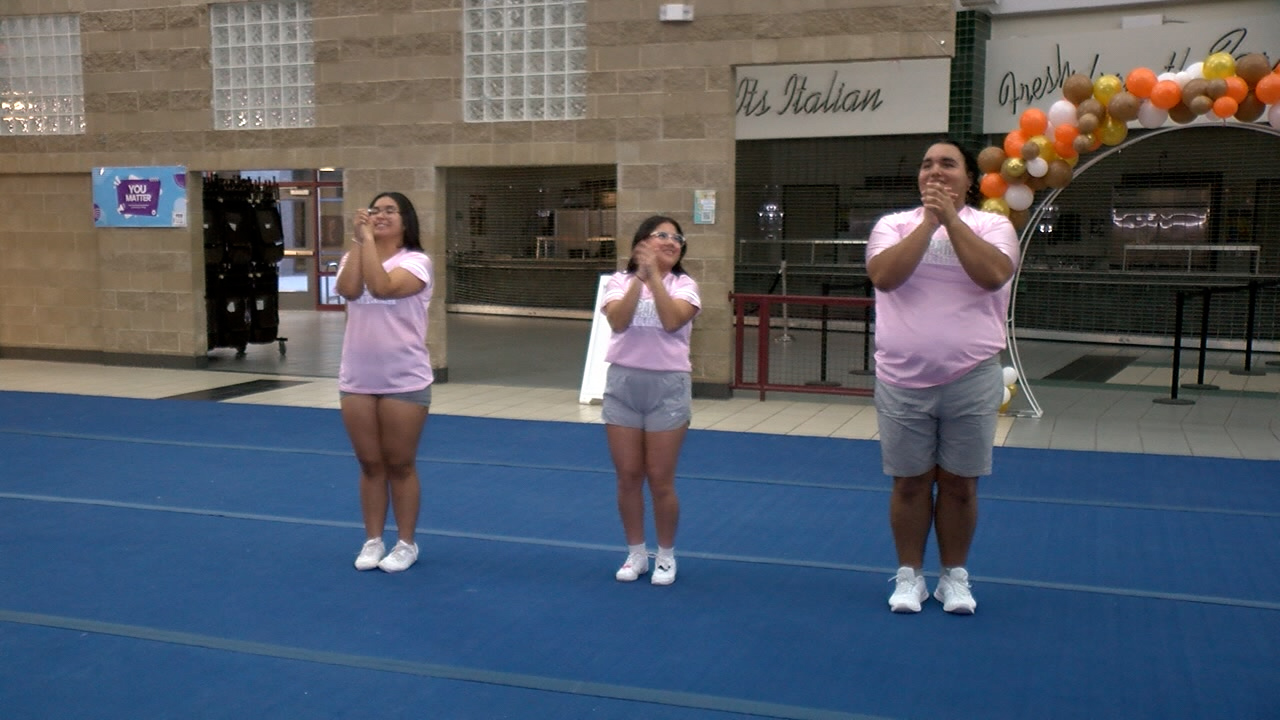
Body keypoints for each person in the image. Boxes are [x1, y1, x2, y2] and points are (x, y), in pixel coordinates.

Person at [865, 139, 1020, 614]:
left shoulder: (993, 225)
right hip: (901, 378)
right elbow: (884, 276)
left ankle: (954, 576)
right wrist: (929, 221)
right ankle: (910, 576)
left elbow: (994, 274)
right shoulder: (893, 225)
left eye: (948, 164)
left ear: (969, 179)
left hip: (971, 376)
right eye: (927, 164)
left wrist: (951, 220)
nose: (936, 171)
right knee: (909, 482)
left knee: (960, 484)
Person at [334, 192, 434, 573]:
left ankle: (406, 542)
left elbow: (382, 287)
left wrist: (368, 243)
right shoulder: (355, 253)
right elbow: (347, 289)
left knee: (400, 463)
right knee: (370, 463)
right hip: (358, 376)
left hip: (403, 377)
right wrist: (359, 243)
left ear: (406, 221)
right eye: (375, 210)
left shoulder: (417, 262)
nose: (380, 215)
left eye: (390, 211)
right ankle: (373, 538)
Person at [600, 215, 701, 586]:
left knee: (660, 479)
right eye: (662, 236)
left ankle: (666, 555)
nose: (672, 242)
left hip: (667, 387)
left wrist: (655, 278)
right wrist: (639, 279)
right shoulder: (618, 282)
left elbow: (673, 320)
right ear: (641, 243)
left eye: (677, 238)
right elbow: (618, 322)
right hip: (624, 385)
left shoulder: (685, 285)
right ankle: (636, 552)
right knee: (628, 476)